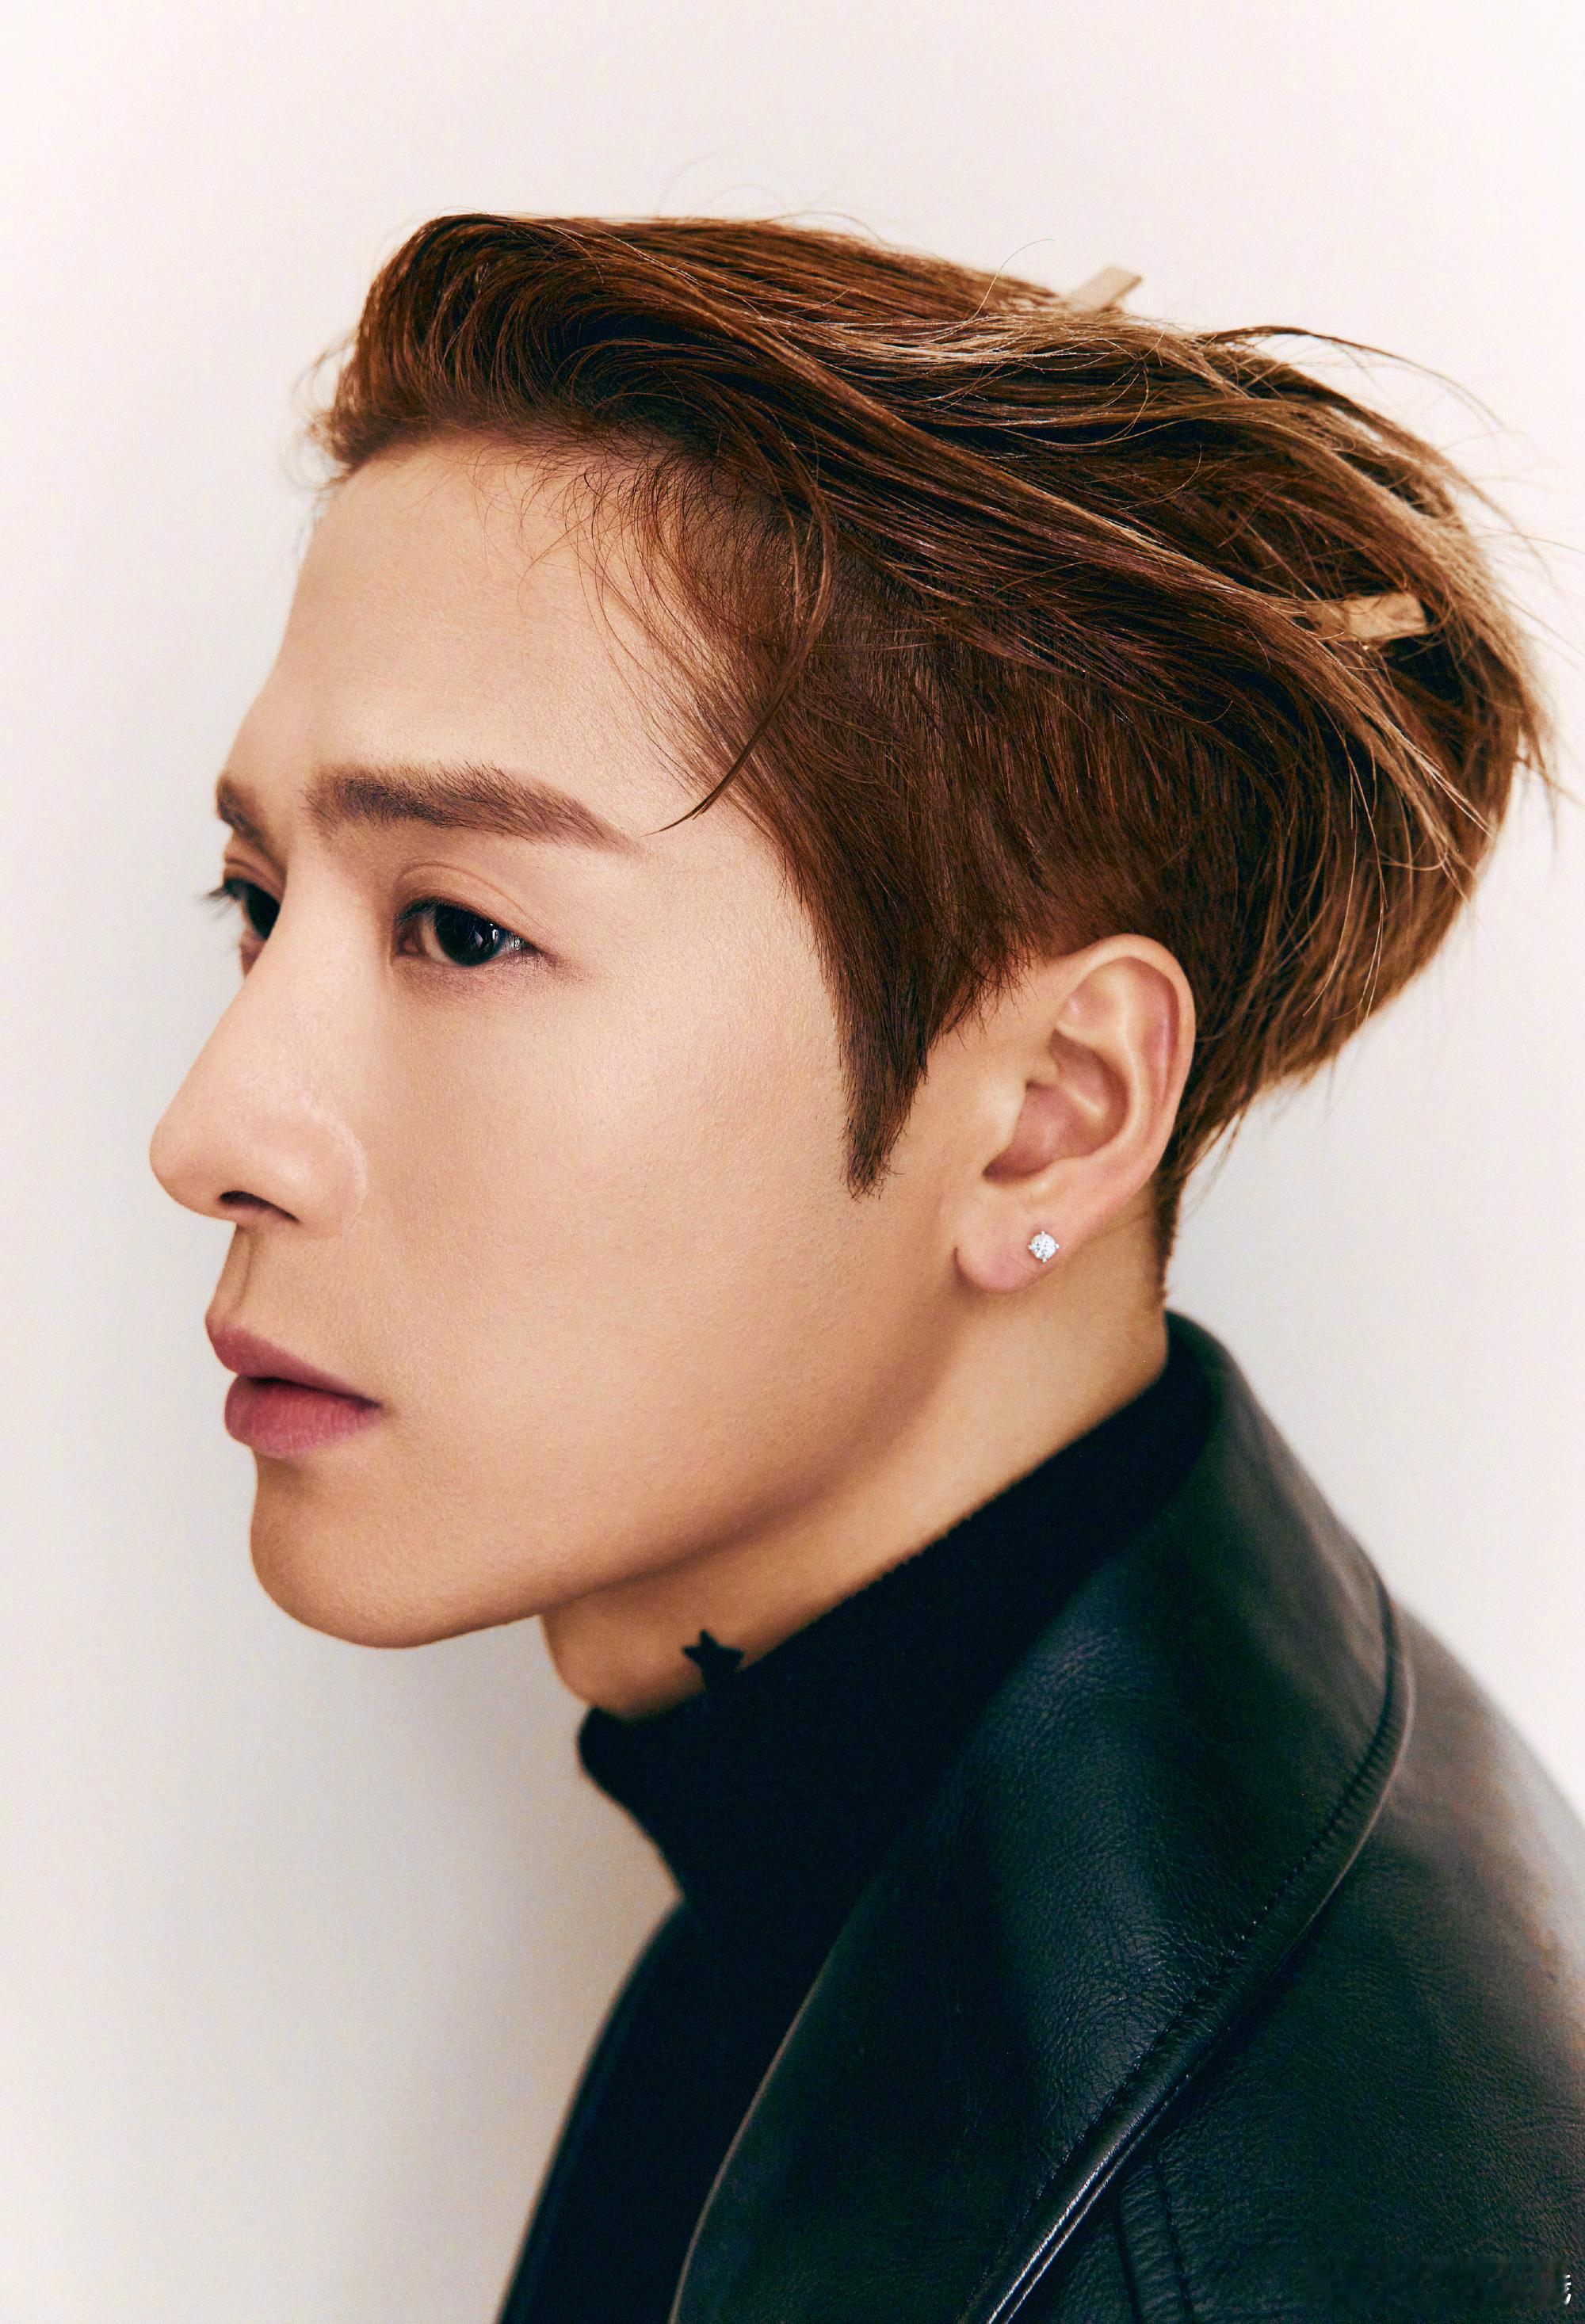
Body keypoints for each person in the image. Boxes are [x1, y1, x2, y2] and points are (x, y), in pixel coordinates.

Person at [147, 215, 1585, 2322]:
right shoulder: (938, 1834)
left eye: (462, 928)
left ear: (1048, 1116)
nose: (211, 1133)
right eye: (257, 900)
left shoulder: (1258, 2245)